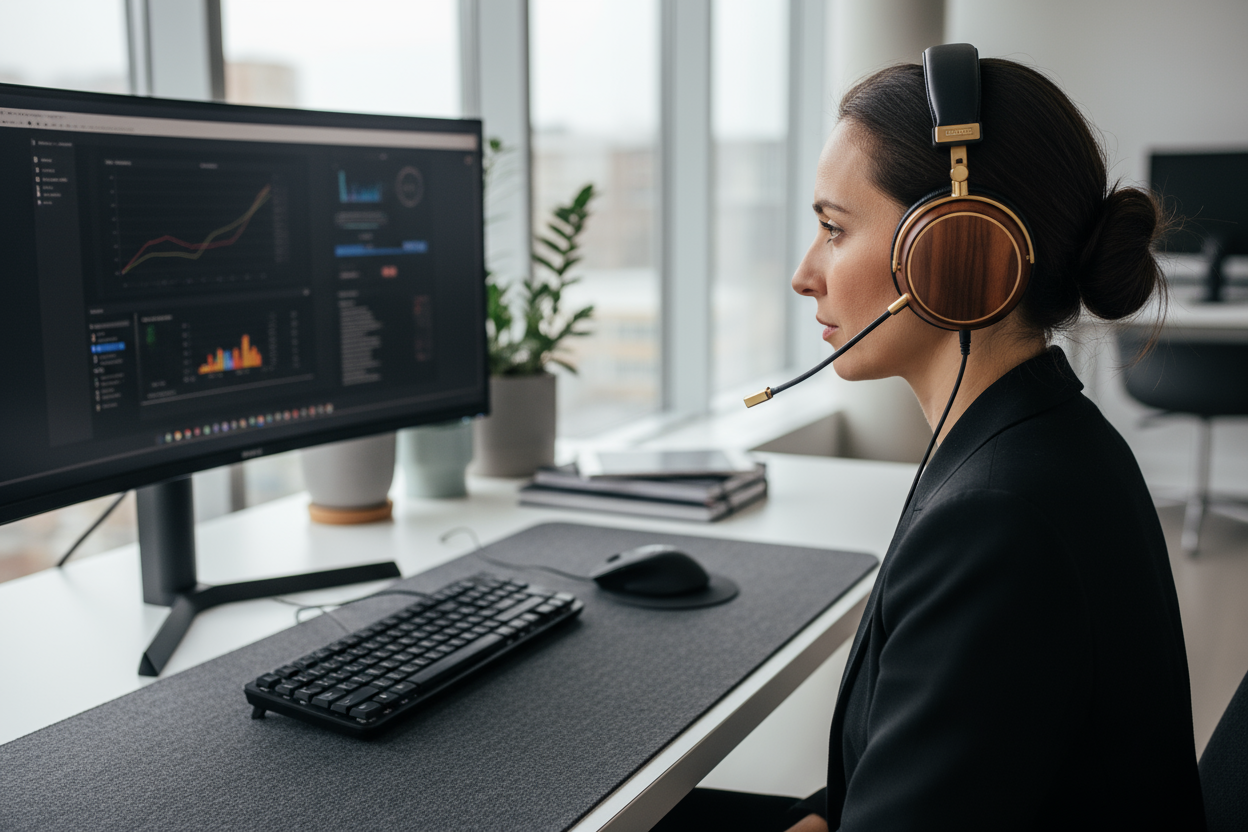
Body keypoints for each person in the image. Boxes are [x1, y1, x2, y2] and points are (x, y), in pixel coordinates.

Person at [652, 54, 1205, 831]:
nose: (804, 274)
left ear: (950, 249)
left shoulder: (998, 518)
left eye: (834, 230)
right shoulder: (1037, 439)